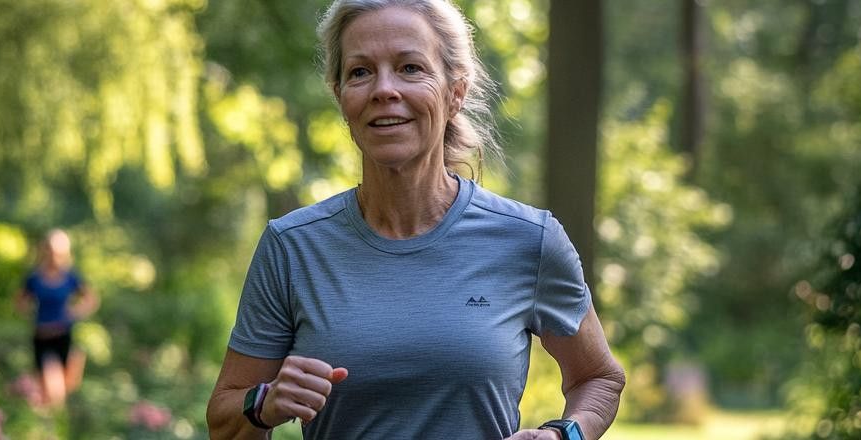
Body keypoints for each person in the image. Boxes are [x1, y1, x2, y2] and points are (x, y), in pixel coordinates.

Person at [206, 0, 625, 438]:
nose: (384, 89)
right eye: (360, 72)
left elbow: (599, 379)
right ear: (340, 96)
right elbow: (223, 421)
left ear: (455, 92)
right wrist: (262, 403)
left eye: (409, 68)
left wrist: (564, 434)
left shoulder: (528, 240)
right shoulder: (291, 247)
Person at [15, 229, 99, 407]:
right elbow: (20, 302)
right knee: (48, 387)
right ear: (44, 251)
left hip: (63, 334)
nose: (53, 255)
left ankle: (52, 422)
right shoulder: (35, 278)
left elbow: (91, 299)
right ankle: (46, 424)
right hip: (42, 335)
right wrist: (29, 311)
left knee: (66, 385)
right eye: (50, 250)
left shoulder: (70, 277)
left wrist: (76, 312)